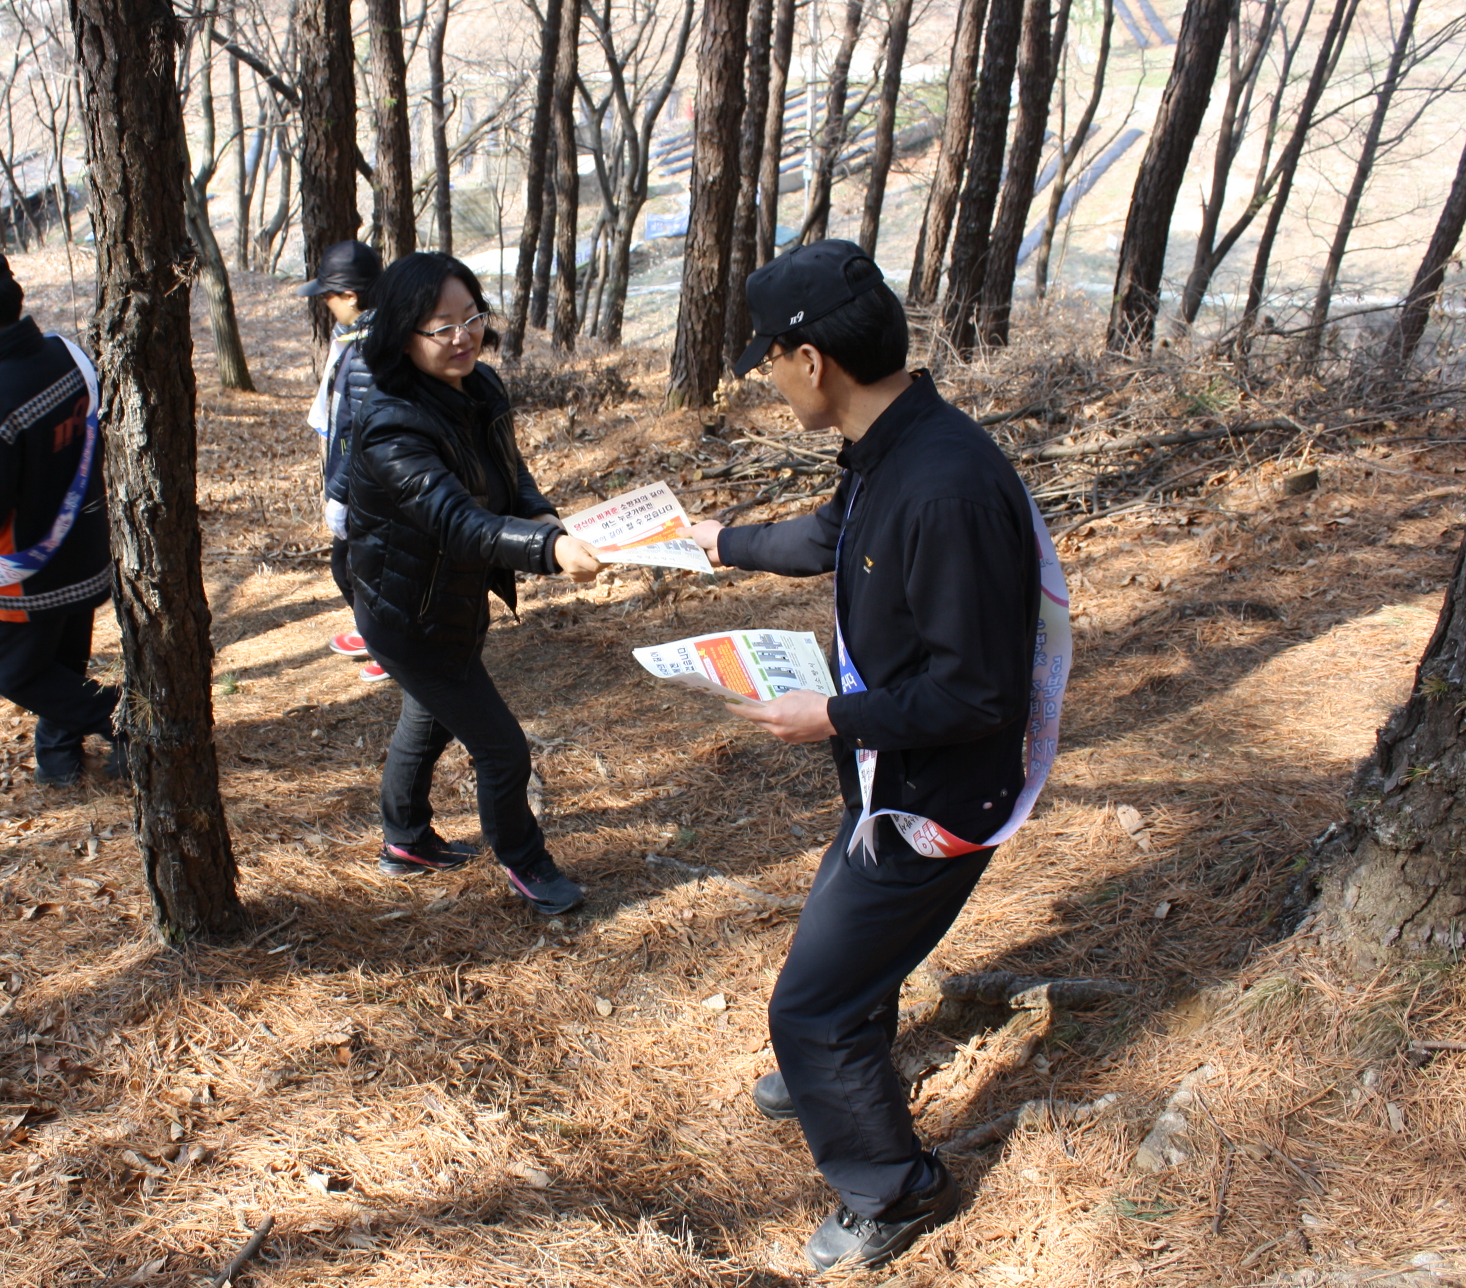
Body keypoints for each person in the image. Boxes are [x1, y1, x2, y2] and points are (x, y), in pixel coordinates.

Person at [689, 240, 1066, 1271]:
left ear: (811, 361)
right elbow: (829, 535)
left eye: (770, 359)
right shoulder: (890, 446)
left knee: (807, 1004)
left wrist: (831, 716)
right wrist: (717, 541)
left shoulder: (942, 487)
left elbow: (977, 694)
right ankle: (833, 1062)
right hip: (889, 775)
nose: (769, 377)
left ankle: (893, 1187)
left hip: (931, 796)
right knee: (841, 945)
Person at [341, 251, 604, 915]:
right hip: (407, 614)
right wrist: (549, 550)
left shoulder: (478, 385)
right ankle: (526, 861)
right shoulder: (391, 424)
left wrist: (540, 514)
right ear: (402, 333)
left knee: (427, 719)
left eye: (472, 317)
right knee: (503, 749)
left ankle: (404, 839)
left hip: (450, 597)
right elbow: (456, 521)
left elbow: (508, 470)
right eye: (441, 326)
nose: (463, 337)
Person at [0, 249, 124, 787]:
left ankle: (127, 720)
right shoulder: (65, 356)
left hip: (27, 569)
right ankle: (59, 761)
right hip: (84, 544)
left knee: (9, 669)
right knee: (62, 663)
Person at [296, 239, 388, 682]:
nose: (325, 304)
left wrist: (339, 493)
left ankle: (393, 648)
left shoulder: (370, 347)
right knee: (353, 565)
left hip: (370, 485)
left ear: (350, 295)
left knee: (358, 569)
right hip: (360, 482)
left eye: (329, 295)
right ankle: (378, 636)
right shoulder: (354, 337)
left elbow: (360, 433)